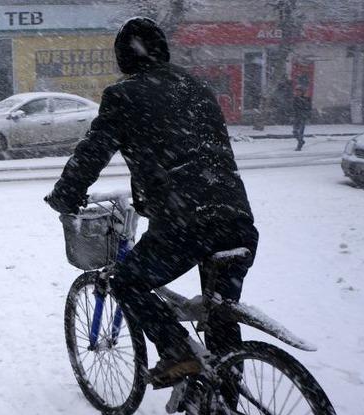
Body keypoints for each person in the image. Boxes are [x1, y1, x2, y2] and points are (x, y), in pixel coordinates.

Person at [44, 17, 258, 387]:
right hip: (237, 219)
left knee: (127, 282)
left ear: (124, 59)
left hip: (185, 222)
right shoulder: (197, 88)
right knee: (221, 317)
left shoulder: (124, 95)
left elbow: (94, 151)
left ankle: (178, 352)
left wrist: (66, 193)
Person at [292, 86, 312, 151]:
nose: (297, 93)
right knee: (295, 131)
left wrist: (306, 115)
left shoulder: (306, 99)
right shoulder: (295, 99)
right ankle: (301, 141)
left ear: (302, 92)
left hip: (303, 117)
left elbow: (308, 108)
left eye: (299, 91)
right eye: (296, 91)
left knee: (300, 132)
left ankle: (299, 145)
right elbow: (294, 108)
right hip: (297, 117)